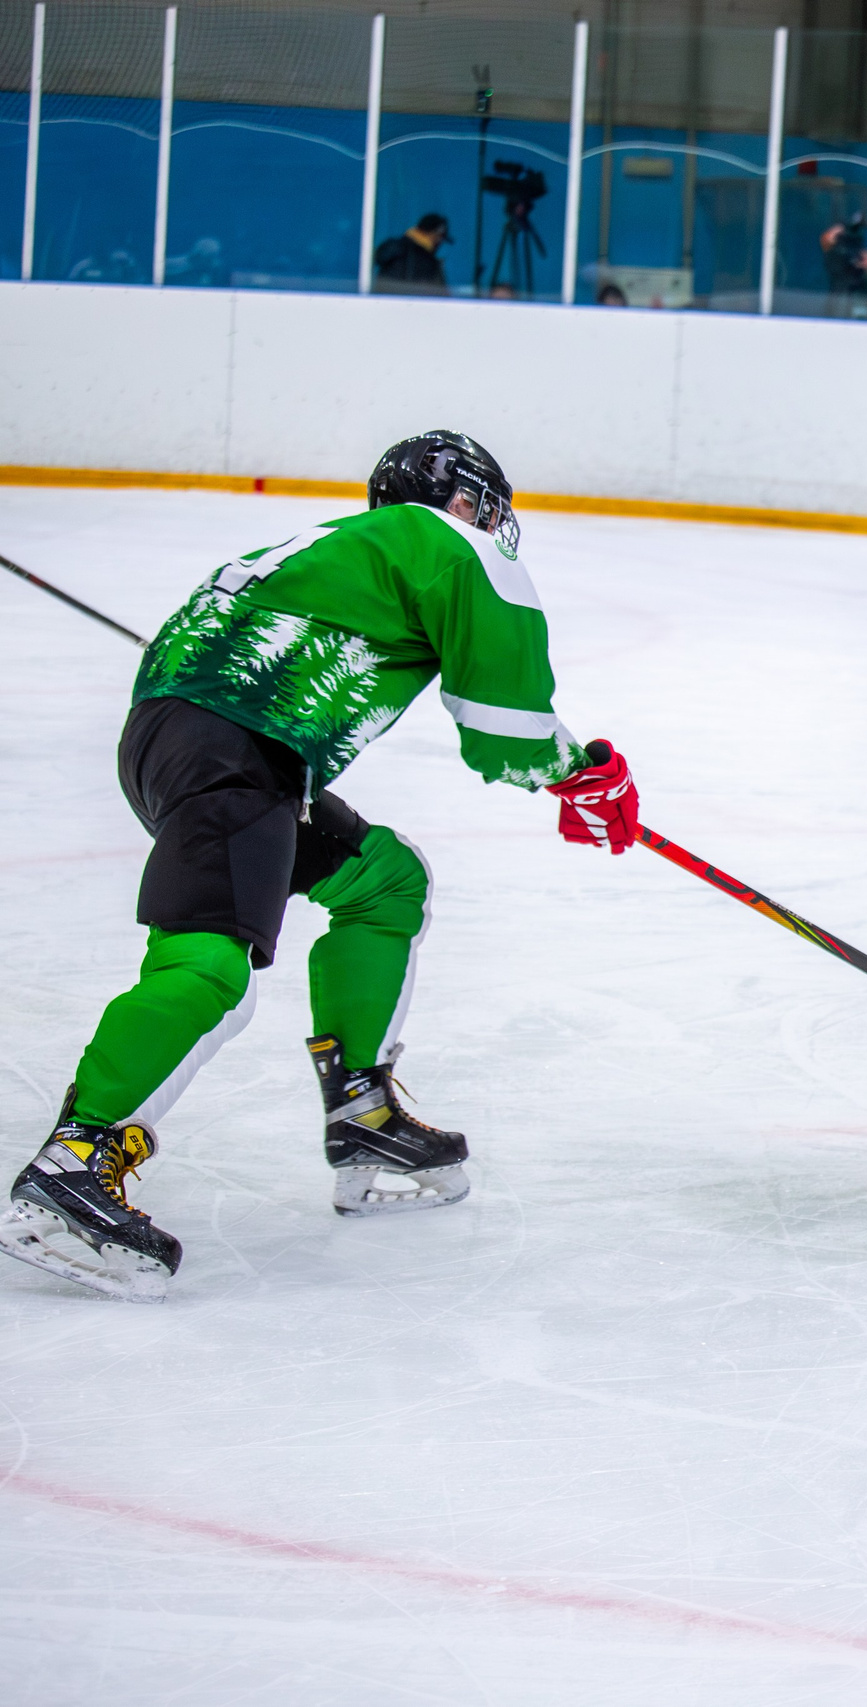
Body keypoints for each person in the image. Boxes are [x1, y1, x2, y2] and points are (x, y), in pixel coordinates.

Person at [0, 432, 641, 1304]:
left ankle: (364, 1115)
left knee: (383, 879)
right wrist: (584, 771)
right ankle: (73, 1163)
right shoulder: (450, 545)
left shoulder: (349, 550)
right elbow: (505, 727)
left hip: (184, 744)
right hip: (236, 748)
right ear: (465, 500)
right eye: (487, 505)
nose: (495, 523)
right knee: (210, 965)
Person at [373, 214, 451, 295]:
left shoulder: (391, 247)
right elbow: (442, 298)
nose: (440, 243)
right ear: (435, 235)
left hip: (383, 304)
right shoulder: (429, 263)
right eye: (440, 238)